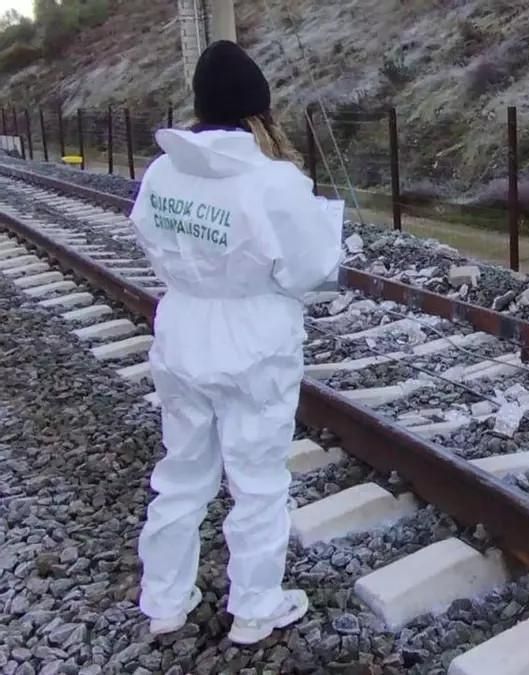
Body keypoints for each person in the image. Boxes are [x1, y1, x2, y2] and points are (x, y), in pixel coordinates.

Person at [129, 41, 342, 645]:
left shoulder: (164, 171)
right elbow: (312, 271)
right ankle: (255, 608)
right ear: (259, 112)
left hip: (182, 330)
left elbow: (150, 240)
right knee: (258, 479)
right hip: (255, 341)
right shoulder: (274, 182)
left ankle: (165, 600)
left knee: (181, 472)